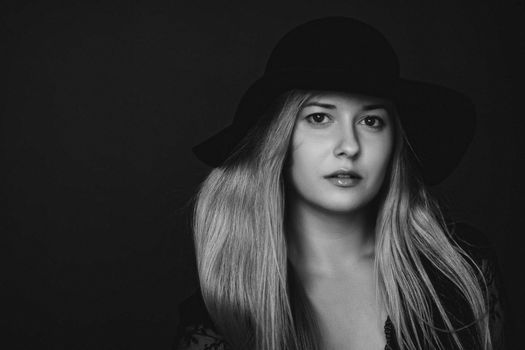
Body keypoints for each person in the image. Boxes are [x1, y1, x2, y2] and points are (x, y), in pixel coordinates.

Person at [175, 17, 505, 350]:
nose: (349, 145)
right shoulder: (223, 314)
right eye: (319, 118)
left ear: (395, 144)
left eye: (371, 120)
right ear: (278, 139)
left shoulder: (461, 271)